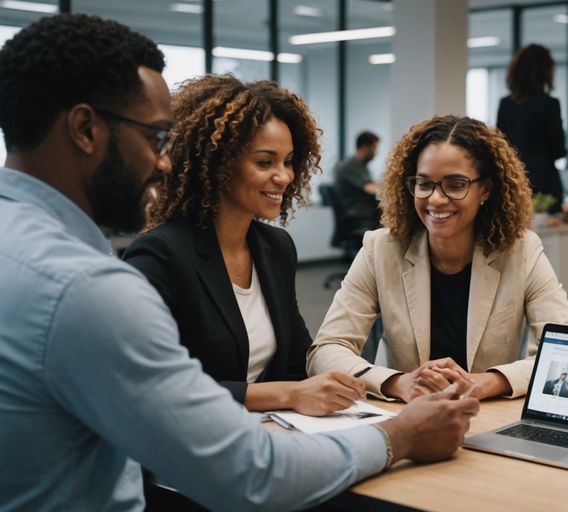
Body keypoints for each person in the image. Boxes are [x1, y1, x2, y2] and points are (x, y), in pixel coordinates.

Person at [0, 14, 478, 509]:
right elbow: (247, 474)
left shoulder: (27, 249)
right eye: (156, 137)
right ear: (84, 129)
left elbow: (296, 365)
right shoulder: (86, 288)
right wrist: (399, 436)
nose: (164, 161)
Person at [124, 75, 361, 417]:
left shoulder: (275, 247)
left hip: (273, 432)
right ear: (219, 164)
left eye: (288, 161)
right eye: (265, 162)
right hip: (192, 442)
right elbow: (153, 384)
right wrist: (286, 395)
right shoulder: (161, 254)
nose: (284, 176)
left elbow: (296, 359)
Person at [307, 115, 568, 402]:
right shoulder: (380, 249)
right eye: (424, 184)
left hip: (486, 415)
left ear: (485, 190)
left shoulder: (521, 252)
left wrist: (489, 381)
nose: (436, 199)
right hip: (406, 419)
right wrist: (396, 383)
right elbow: (325, 350)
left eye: (455, 184)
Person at [496, 44, 567, 214]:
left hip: (511, 181)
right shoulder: (549, 105)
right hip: (543, 182)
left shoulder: (506, 104)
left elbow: (500, 145)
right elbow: (558, 150)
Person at [334, 130, 382, 232]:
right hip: (357, 217)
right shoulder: (352, 165)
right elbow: (370, 188)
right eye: (374, 148)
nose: (375, 153)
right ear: (365, 147)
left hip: (362, 215)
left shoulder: (361, 165)